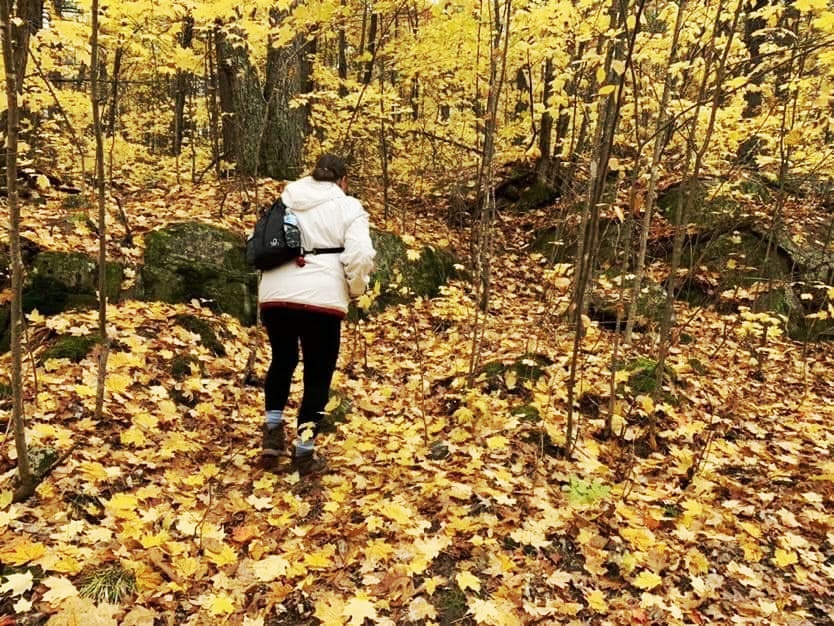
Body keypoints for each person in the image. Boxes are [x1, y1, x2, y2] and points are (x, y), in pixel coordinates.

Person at [258, 154, 376, 475]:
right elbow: (362, 255)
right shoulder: (349, 207)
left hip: (275, 296)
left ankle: (271, 433)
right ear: (343, 180)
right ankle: (304, 452)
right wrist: (354, 290)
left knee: (282, 360)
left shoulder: (287, 197)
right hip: (321, 302)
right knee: (318, 374)